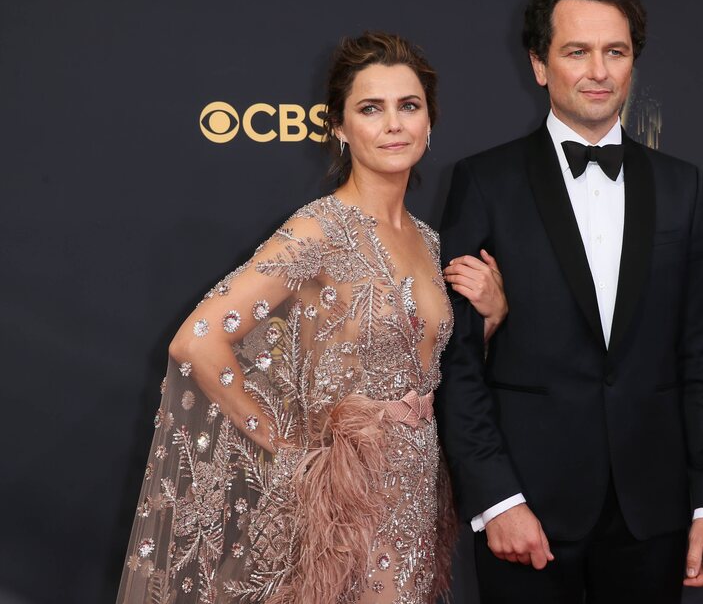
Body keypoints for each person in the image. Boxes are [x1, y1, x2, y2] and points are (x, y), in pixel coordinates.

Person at [117, 31, 506, 604]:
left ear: (430, 123)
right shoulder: (320, 229)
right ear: (339, 128)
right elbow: (197, 341)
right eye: (371, 109)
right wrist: (290, 444)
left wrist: (493, 316)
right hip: (345, 503)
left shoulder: (429, 239)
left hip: (423, 489)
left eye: (409, 106)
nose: (394, 124)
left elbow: (442, 368)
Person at [438, 0, 703, 603]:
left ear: (632, 64)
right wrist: (496, 499)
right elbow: (456, 360)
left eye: (615, 52)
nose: (598, 70)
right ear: (540, 65)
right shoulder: (484, 182)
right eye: (577, 51)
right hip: (529, 511)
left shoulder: (683, 187)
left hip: (651, 515)